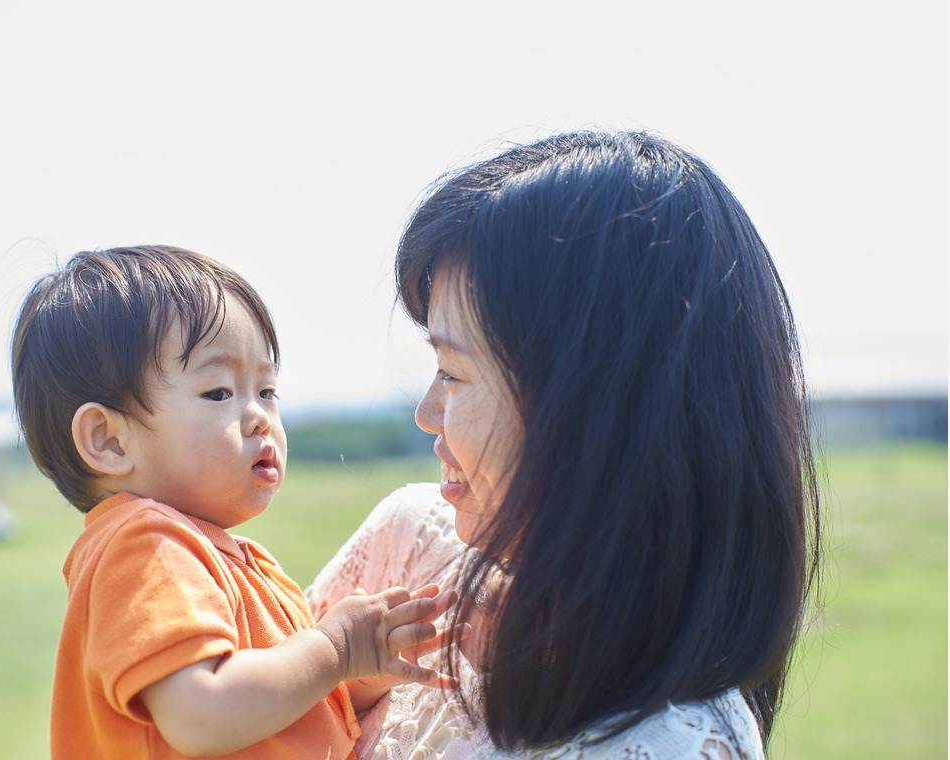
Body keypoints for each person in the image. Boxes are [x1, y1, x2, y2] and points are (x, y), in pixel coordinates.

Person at [309, 130, 821, 759]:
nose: (426, 414)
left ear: (589, 409)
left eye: (454, 373)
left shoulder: (671, 743)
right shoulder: (410, 545)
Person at [10, 244, 459, 759]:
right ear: (110, 441)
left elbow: (275, 713)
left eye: (268, 391)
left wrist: (358, 671)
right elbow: (202, 714)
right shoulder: (143, 544)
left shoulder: (238, 561)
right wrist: (333, 649)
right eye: (220, 392)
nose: (260, 417)